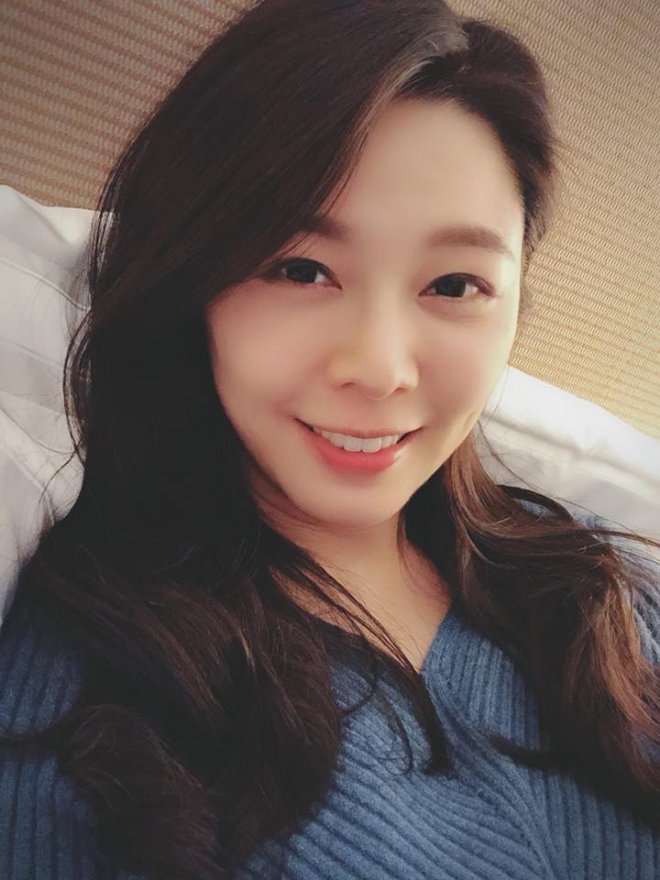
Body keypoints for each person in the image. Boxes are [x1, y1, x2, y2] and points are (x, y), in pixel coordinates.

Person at [1, 1, 659, 878]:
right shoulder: (79, 692)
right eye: (300, 269)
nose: (379, 369)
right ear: (192, 282)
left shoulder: (607, 592)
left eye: (455, 284)